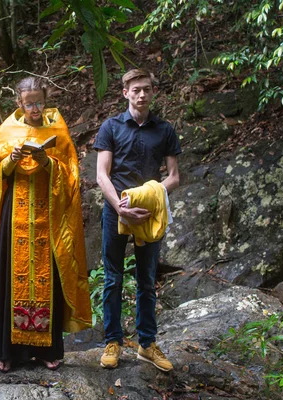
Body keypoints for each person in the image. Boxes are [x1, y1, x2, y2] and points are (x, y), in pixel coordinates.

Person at [0, 77, 91, 373]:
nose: (35, 108)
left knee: (47, 276)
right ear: (19, 103)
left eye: (39, 102)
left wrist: (47, 162)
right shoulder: (7, 130)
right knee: (12, 276)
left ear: (45, 99)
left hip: (47, 215)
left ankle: (47, 349)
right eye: (29, 103)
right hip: (15, 215)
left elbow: (71, 178)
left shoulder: (58, 129)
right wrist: (11, 159)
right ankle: (7, 351)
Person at [94, 68, 181, 371]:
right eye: (136, 90)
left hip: (149, 212)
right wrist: (120, 206)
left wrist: (149, 195)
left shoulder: (164, 129)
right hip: (115, 209)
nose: (142, 94)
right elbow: (101, 174)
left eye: (146, 89)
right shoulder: (111, 127)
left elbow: (173, 177)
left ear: (153, 92)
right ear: (125, 93)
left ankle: (147, 344)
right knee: (113, 277)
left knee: (146, 279)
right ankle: (112, 341)